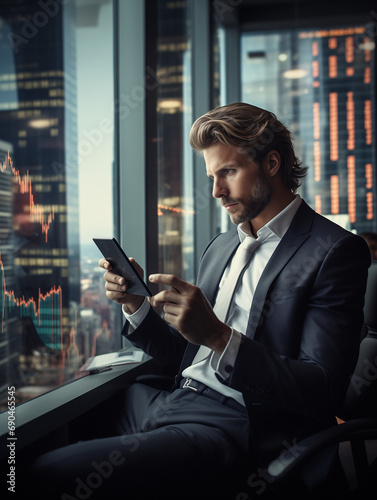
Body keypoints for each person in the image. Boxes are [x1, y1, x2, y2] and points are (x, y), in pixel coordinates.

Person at [28, 103, 370, 499]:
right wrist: (136, 306)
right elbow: (186, 357)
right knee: (54, 431)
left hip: (238, 424)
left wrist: (219, 337)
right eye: (212, 176)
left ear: (272, 163)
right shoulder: (222, 246)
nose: (216, 191)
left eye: (228, 172)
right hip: (175, 400)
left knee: (44, 473)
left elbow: (322, 389)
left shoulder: (333, 250)